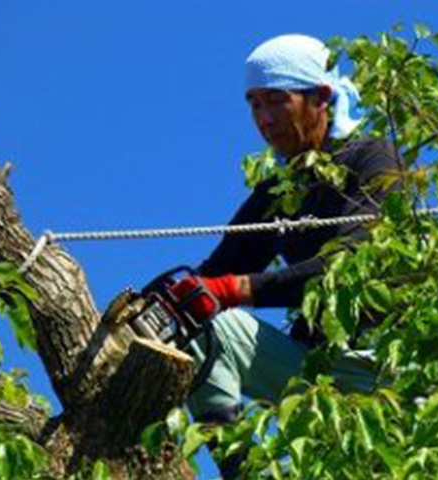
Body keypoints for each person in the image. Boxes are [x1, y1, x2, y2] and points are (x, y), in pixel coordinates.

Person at [170, 34, 401, 478]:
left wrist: (233, 291)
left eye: (276, 101)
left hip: (389, 370)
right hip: (317, 367)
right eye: (254, 104)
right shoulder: (279, 187)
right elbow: (216, 273)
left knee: (214, 312)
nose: (264, 119)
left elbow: (348, 267)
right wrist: (169, 303)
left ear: (320, 98)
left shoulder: (374, 158)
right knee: (196, 325)